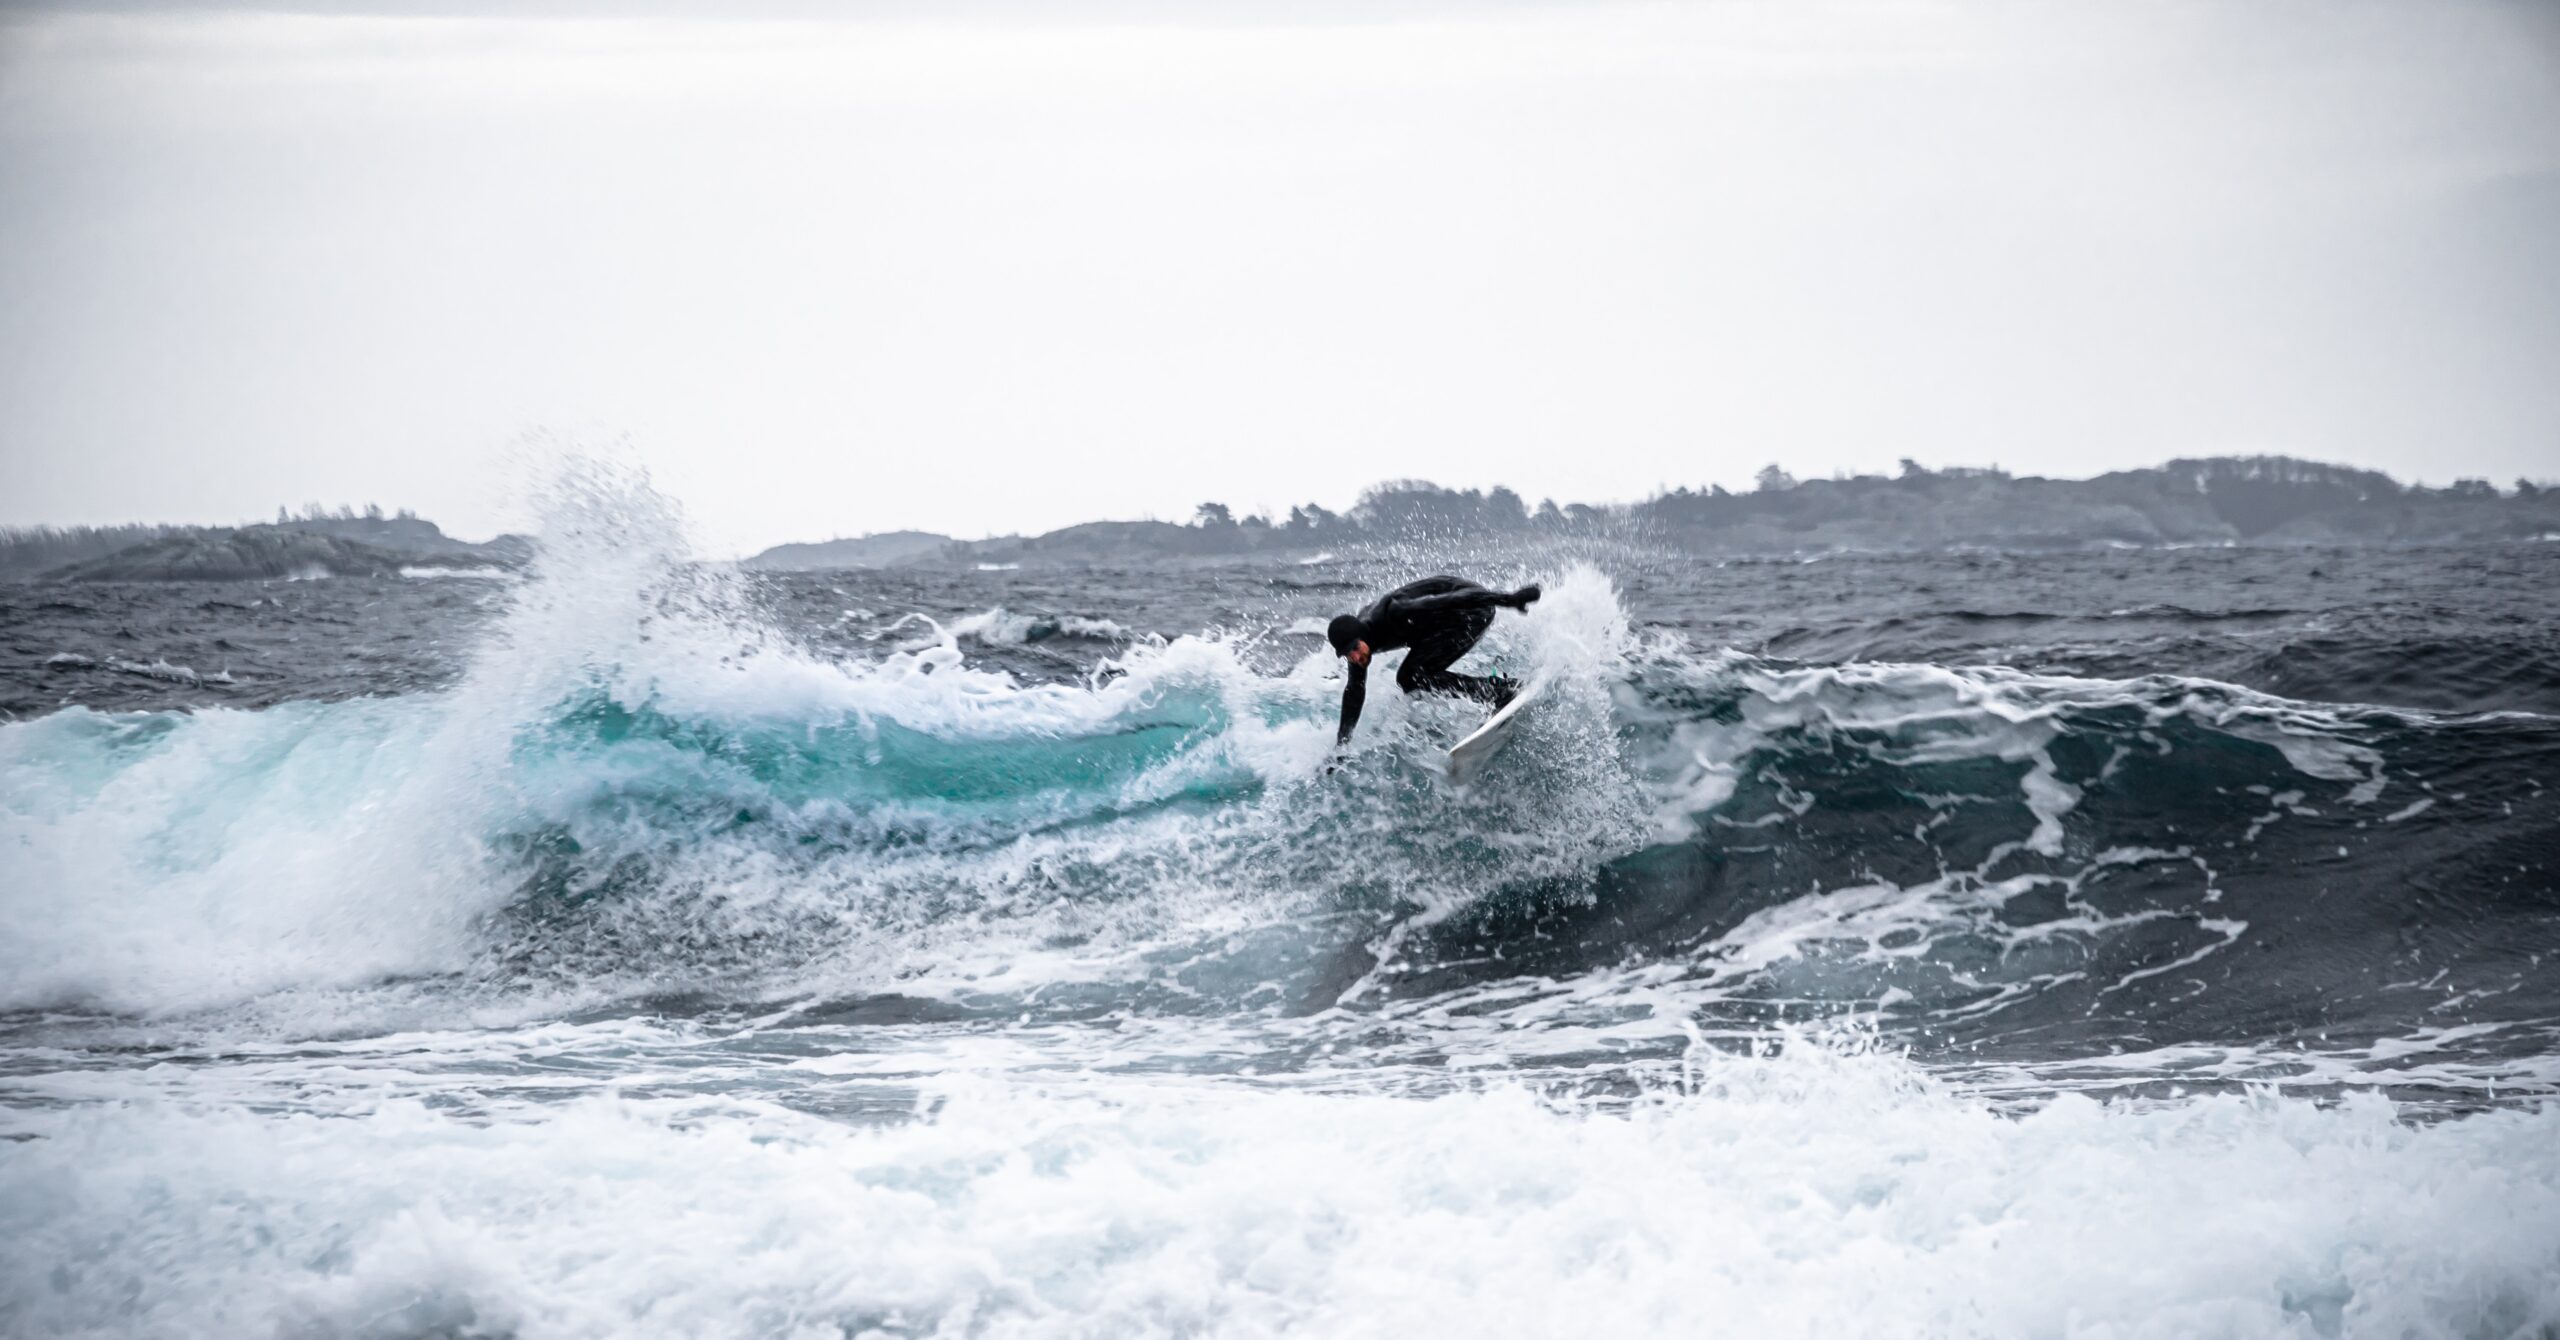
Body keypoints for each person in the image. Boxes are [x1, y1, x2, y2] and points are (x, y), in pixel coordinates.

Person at [1326, 575, 1541, 746]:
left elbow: (1451, 600)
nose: (1354, 657)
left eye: (1354, 648)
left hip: (1472, 609)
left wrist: (1509, 599)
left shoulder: (1394, 612)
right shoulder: (1359, 647)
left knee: (1410, 676)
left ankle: (1500, 692)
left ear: (1361, 636)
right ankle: (1495, 689)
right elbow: (1355, 690)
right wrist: (1342, 745)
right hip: (1440, 625)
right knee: (1410, 679)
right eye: (1347, 655)